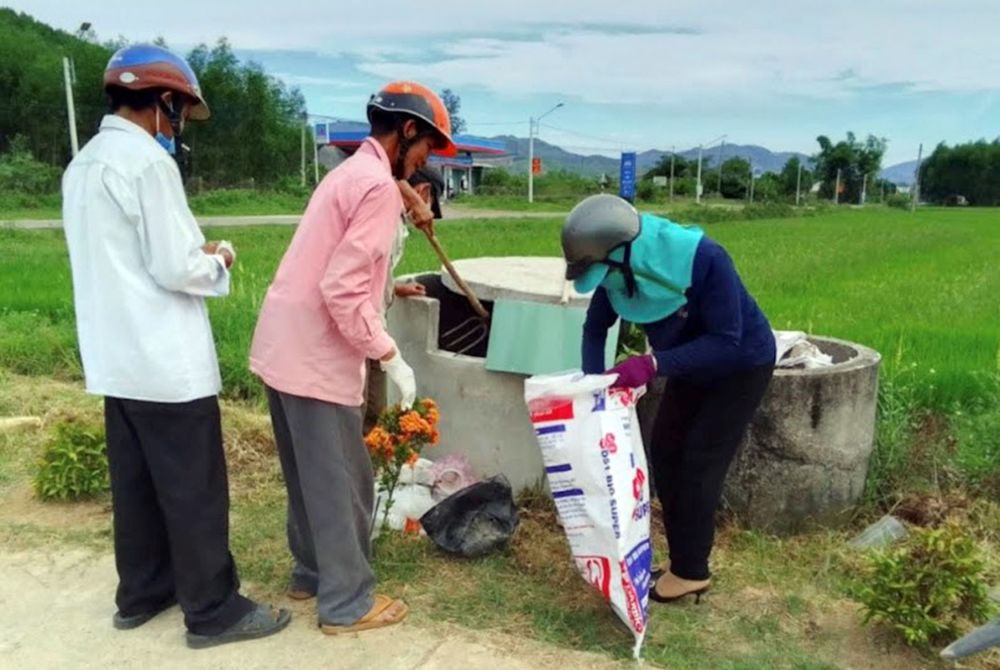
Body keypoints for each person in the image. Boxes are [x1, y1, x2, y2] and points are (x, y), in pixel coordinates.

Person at [61, 44, 290, 649]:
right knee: (193, 488)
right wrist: (217, 258)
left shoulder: (83, 164)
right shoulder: (146, 164)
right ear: (164, 103)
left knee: (136, 486)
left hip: (116, 359)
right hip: (165, 361)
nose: (179, 124)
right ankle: (213, 610)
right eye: (180, 110)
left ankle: (142, 591)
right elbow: (173, 265)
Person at [249, 81, 457, 634]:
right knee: (345, 481)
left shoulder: (348, 174)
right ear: (408, 130)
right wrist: (389, 353)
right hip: (316, 354)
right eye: (426, 149)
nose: (424, 162)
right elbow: (341, 288)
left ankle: (313, 571)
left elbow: (345, 269)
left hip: (283, 344)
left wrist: (390, 288)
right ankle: (346, 603)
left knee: (308, 475)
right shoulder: (375, 188)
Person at [562, 194, 776, 603]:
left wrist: (652, 364)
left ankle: (692, 571)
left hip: (740, 365)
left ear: (621, 253)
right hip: (690, 365)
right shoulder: (617, 270)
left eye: (600, 272)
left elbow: (727, 341)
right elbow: (595, 329)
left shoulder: (704, 258)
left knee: (699, 464)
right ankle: (682, 563)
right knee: (664, 451)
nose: (601, 284)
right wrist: (595, 388)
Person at [362, 166, 444, 435]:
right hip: (362, 327)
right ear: (424, 192)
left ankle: (369, 471)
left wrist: (396, 288)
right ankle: (355, 473)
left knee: (373, 410)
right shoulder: (387, 220)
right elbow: (352, 280)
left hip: (374, 324)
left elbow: (372, 272)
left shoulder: (396, 220)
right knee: (359, 408)